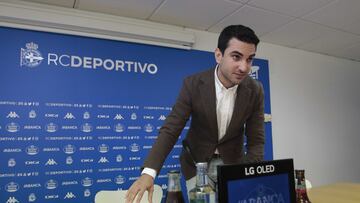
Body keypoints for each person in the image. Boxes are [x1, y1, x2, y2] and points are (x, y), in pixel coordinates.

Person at [125, 24, 265, 203]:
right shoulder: (193, 84)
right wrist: (149, 173)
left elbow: (256, 140)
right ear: (218, 55)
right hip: (196, 164)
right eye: (236, 57)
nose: (244, 67)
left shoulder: (255, 90)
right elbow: (171, 129)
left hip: (233, 165)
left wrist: (248, 173)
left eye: (250, 59)